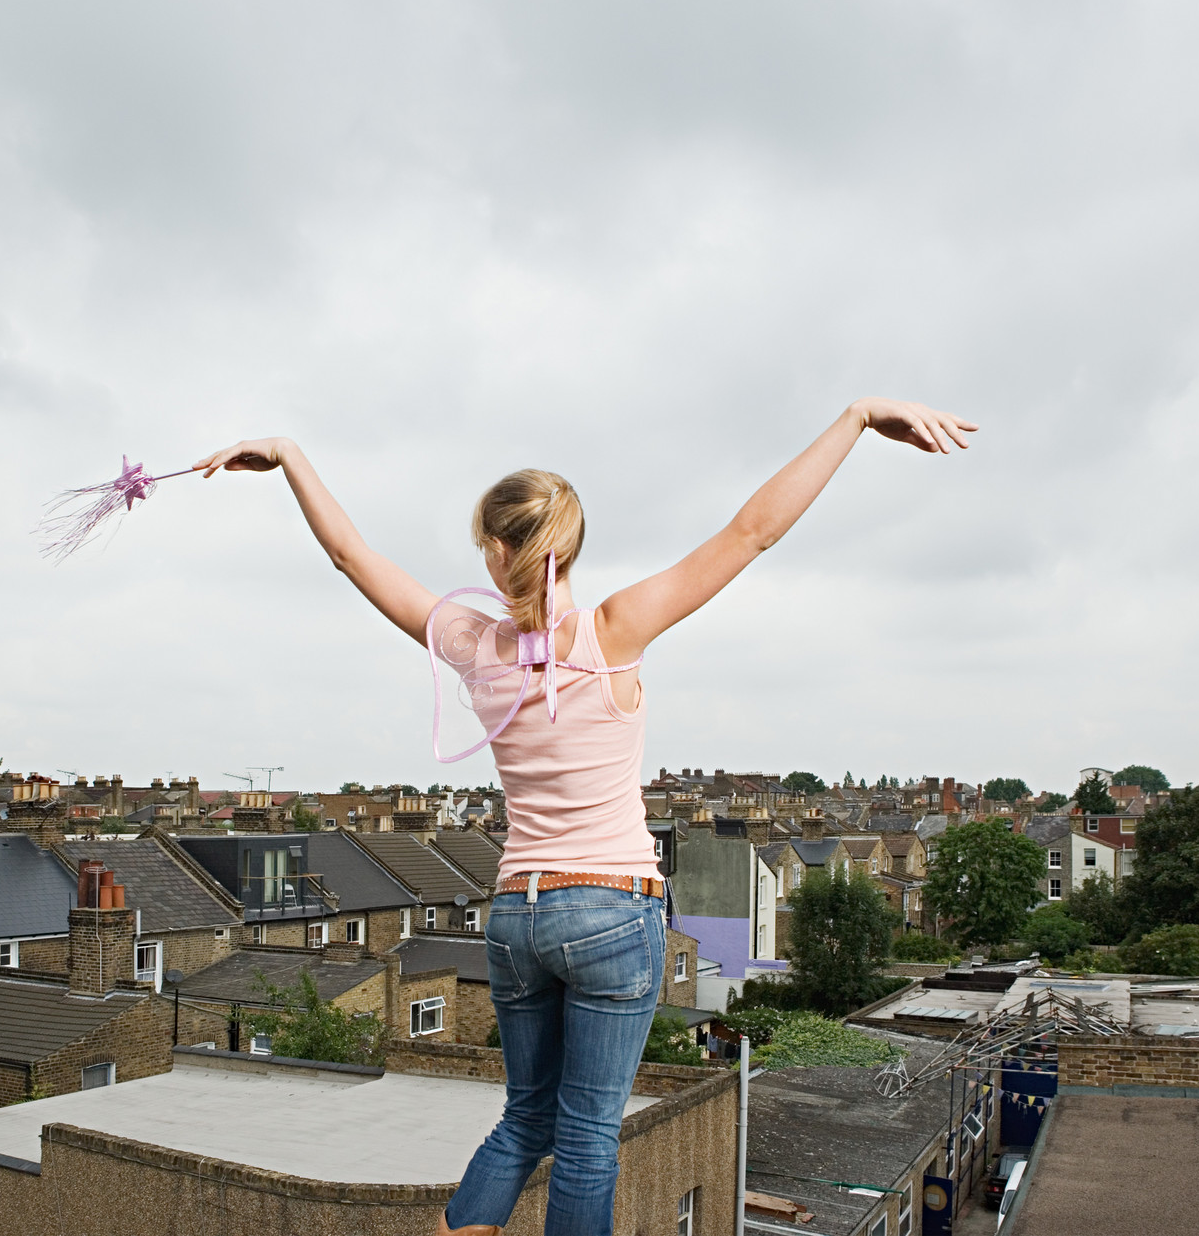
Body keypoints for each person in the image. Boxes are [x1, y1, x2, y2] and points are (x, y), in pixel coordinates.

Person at [194, 397, 976, 1236]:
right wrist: (854, 420)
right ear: (567, 547)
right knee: (588, 1136)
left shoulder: (469, 641)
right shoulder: (614, 631)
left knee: (524, 1120)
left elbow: (353, 556)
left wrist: (288, 454)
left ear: (500, 553)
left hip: (515, 916)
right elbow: (752, 533)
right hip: (609, 907)